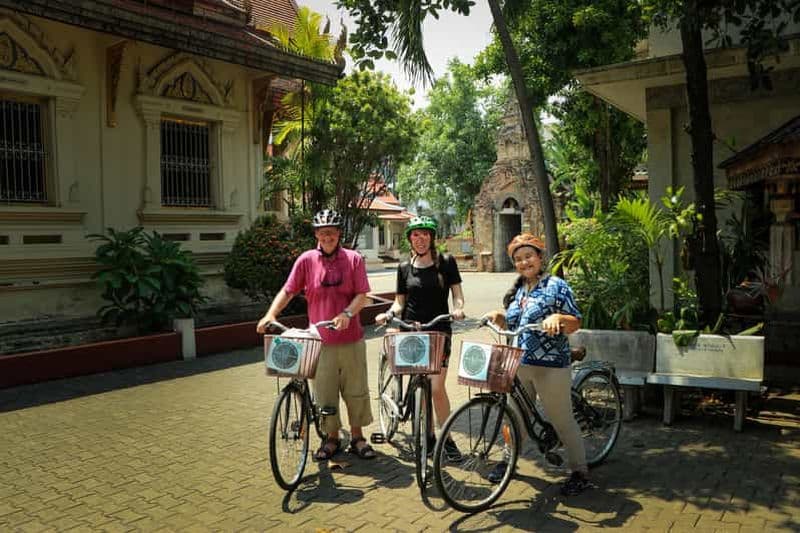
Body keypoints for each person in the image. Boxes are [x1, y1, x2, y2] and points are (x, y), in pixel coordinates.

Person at [257, 209, 376, 461]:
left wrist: (347, 313)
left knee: (355, 390)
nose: (328, 236)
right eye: (323, 232)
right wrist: (270, 315)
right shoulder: (306, 260)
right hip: (319, 342)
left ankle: (357, 437)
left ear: (339, 233)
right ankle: (332, 438)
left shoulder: (354, 259)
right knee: (325, 393)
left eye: (332, 232)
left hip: (351, 340)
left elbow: (362, 295)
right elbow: (288, 291)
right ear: (316, 234)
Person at [483, 233, 590, 496]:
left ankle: (579, 471)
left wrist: (557, 317)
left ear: (540, 257)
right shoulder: (519, 289)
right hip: (520, 363)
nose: (524, 262)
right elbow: (515, 323)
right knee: (514, 417)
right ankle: (508, 461)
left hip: (551, 365)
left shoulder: (557, 286)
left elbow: (576, 321)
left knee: (561, 418)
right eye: (518, 259)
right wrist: (499, 316)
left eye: (528, 256)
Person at [374, 216, 465, 461]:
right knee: (419, 385)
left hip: (438, 331)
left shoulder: (446, 262)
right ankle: (428, 436)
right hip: (411, 332)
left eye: (425, 234)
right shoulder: (404, 267)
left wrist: (458, 309)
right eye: (415, 235)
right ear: (410, 239)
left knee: (436, 388)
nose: (420, 238)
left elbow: (457, 295)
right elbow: (399, 301)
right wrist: (390, 314)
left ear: (432, 237)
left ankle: (446, 438)